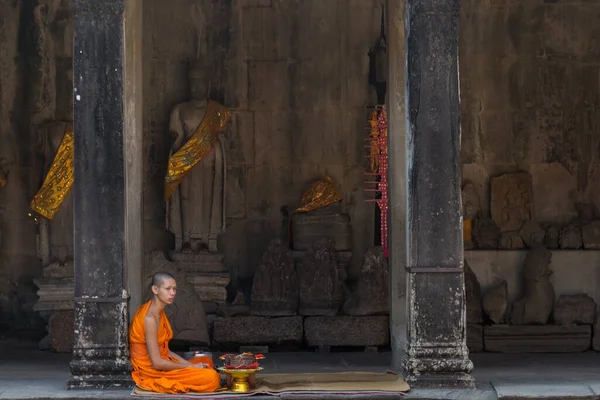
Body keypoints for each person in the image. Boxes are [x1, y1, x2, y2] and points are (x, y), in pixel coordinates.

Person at [129, 271, 221, 394]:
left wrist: (189, 364)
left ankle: (194, 373)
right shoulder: (149, 318)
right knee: (212, 378)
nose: (172, 293)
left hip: (162, 361)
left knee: (206, 361)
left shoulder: (159, 313)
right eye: (168, 289)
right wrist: (191, 367)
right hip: (151, 371)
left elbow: (166, 351)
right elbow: (157, 363)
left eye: (174, 289)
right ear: (155, 289)